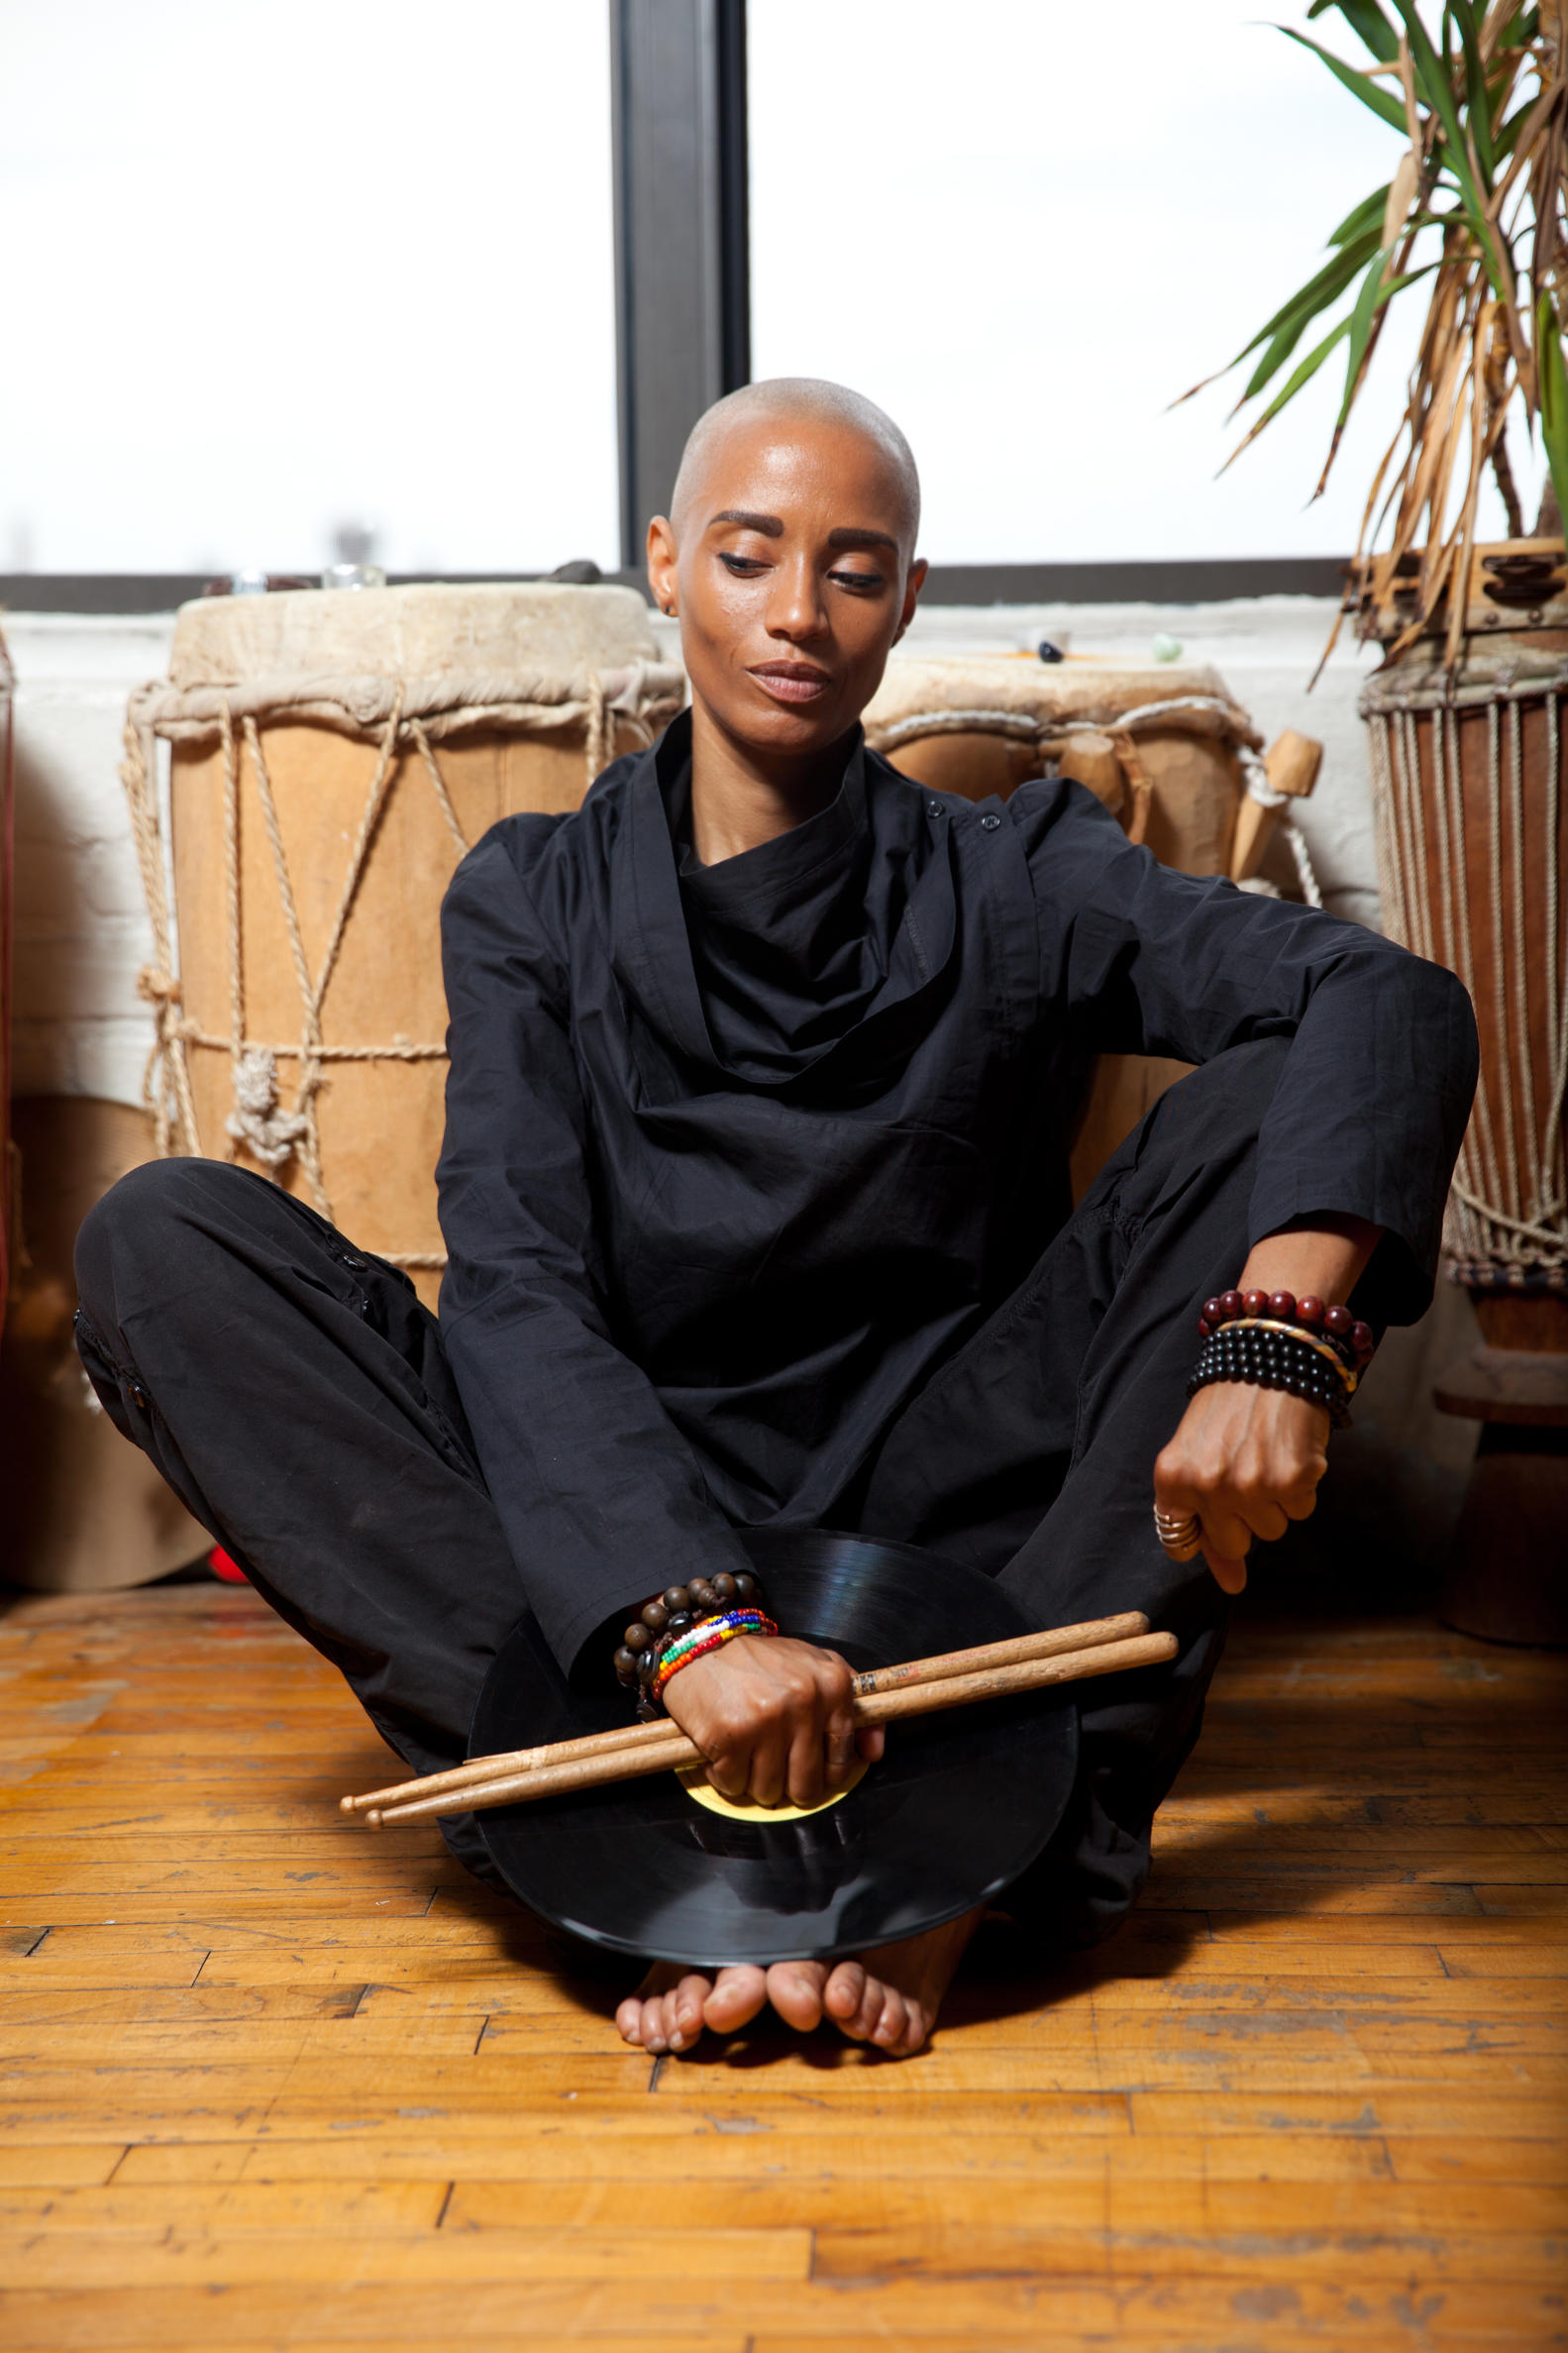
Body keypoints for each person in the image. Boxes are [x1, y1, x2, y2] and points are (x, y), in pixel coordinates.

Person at [74, 378, 1477, 2061]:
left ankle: (978, 1853)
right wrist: (692, 1621)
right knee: (161, 1237)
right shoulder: (530, 894)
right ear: (670, 565)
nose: (799, 612)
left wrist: (1286, 1337)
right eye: (750, 556)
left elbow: (1378, 994)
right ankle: (621, 1834)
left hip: (948, 1496)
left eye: (856, 568)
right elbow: (518, 1286)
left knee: (1273, 1107)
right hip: (617, 1516)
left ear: (910, 601)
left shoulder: (1012, 868)